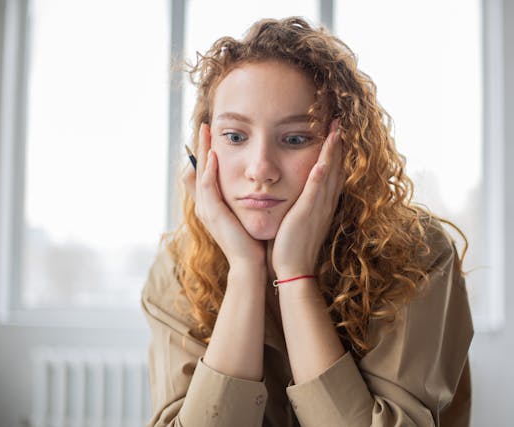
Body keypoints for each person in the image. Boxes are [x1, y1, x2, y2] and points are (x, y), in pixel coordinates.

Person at [142, 17, 473, 427]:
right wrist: (246, 271)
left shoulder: (417, 256)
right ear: (206, 148)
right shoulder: (177, 268)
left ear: (344, 151)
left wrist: (296, 278)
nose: (261, 169)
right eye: (235, 137)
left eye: (296, 138)